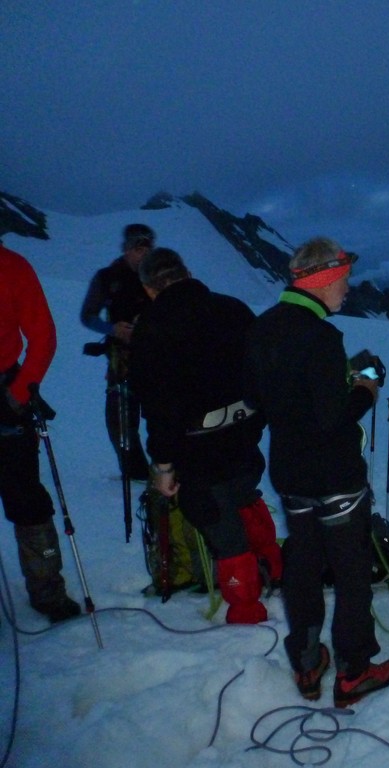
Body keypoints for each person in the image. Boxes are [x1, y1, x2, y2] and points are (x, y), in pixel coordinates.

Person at [244, 236, 389, 707]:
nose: (348, 289)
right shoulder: (322, 336)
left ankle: (308, 661)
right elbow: (333, 415)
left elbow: (261, 399)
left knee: (304, 565)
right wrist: (366, 389)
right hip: (335, 477)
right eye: (345, 280)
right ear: (325, 278)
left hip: (290, 473)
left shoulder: (263, 326)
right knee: (351, 570)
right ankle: (354, 669)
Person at [128, 247, 282, 623]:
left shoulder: (151, 328)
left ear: (149, 288)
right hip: (245, 433)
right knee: (245, 496)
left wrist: (163, 465)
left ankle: (247, 611)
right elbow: (264, 371)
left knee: (218, 519)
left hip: (198, 447)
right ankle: (275, 570)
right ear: (187, 271)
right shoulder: (233, 308)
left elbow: (158, 408)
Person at [0, 242, 81, 623]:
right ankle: (47, 591)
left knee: (25, 497)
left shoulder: (11, 266)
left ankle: (47, 591)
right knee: (25, 496)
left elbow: (43, 337)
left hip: (6, 395)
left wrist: (17, 396)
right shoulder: (12, 265)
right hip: (9, 393)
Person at [80, 223, 155, 481]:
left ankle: (168, 472)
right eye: (137, 248)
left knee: (163, 415)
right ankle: (137, 476)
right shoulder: (107, 277)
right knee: (120, 421)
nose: (142, 254)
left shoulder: (160, 278)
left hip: (159, 357)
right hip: (121, 359)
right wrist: (112, 329)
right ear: (126, 249)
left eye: (147, 248)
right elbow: (88, 316)